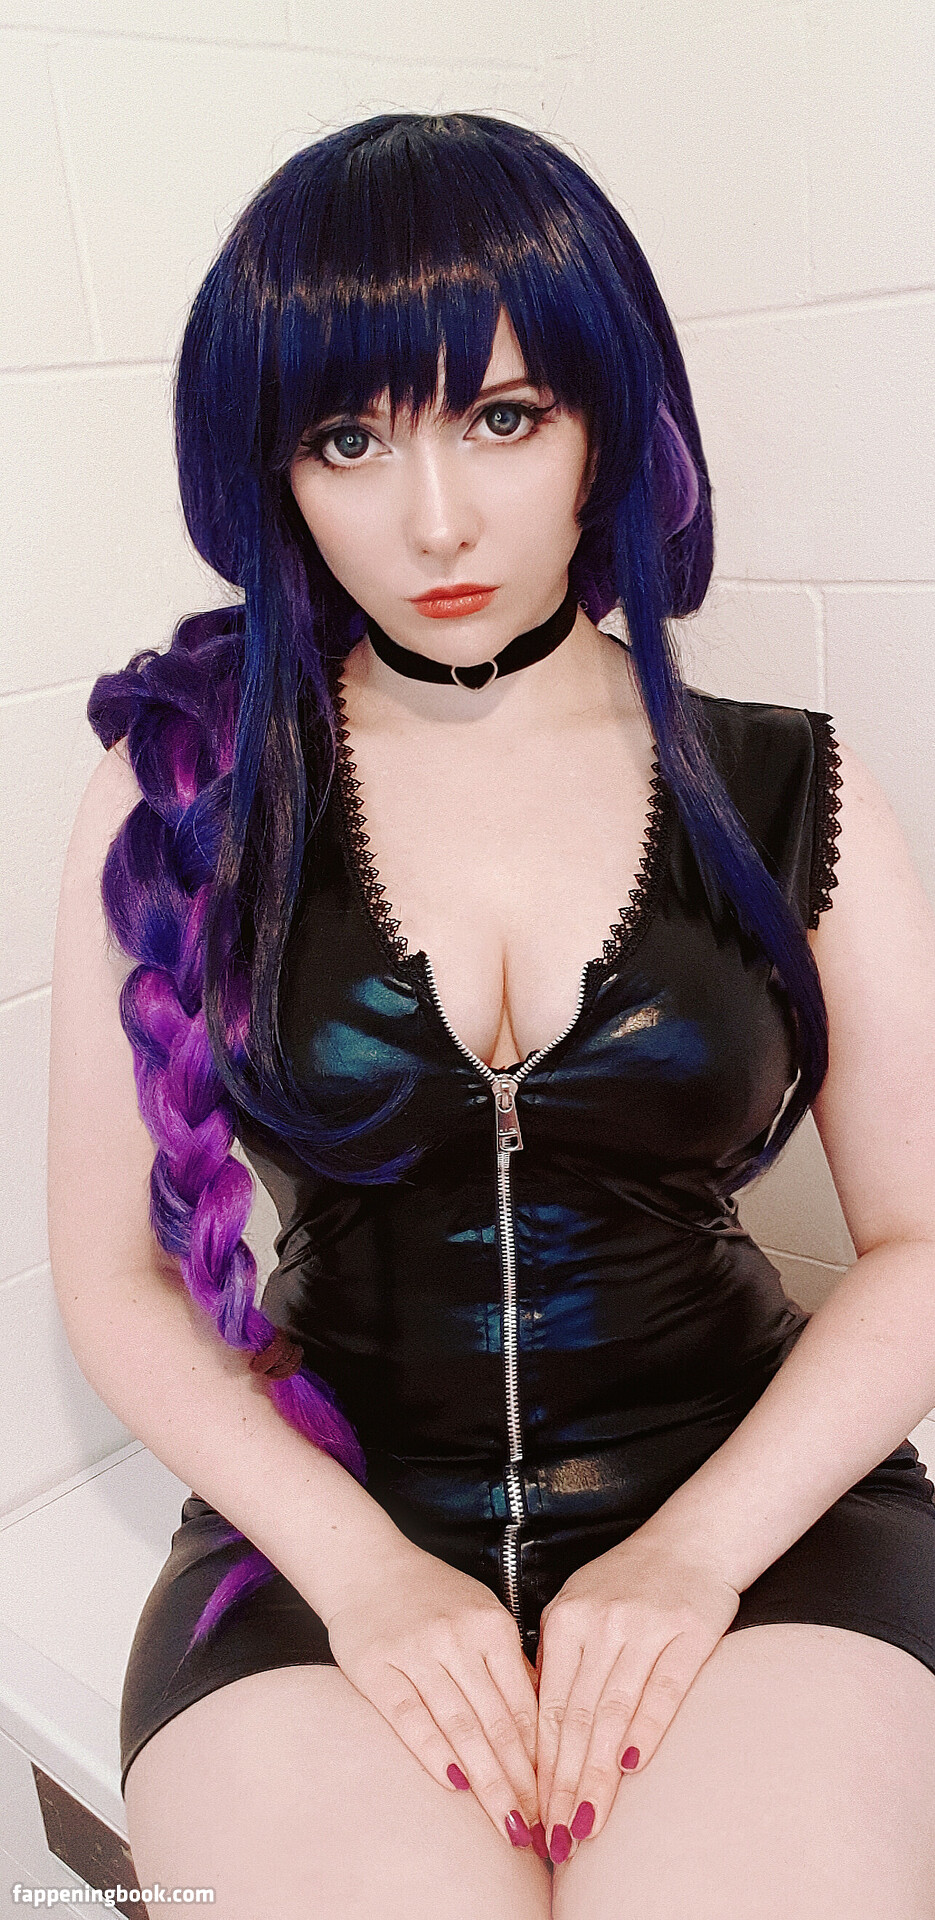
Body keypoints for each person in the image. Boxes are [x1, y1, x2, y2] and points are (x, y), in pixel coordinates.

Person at [48, 112, 935, 1918]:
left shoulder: (788, 782)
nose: (435, 518)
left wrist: (694, 1556)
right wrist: (364, 1573)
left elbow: (926, 1240)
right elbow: (111, 1279)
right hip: (328, 1527)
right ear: (274, 468)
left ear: (609, 420)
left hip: (756, 1505)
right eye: (349, 439)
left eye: (505, 418)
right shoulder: (187, 791)